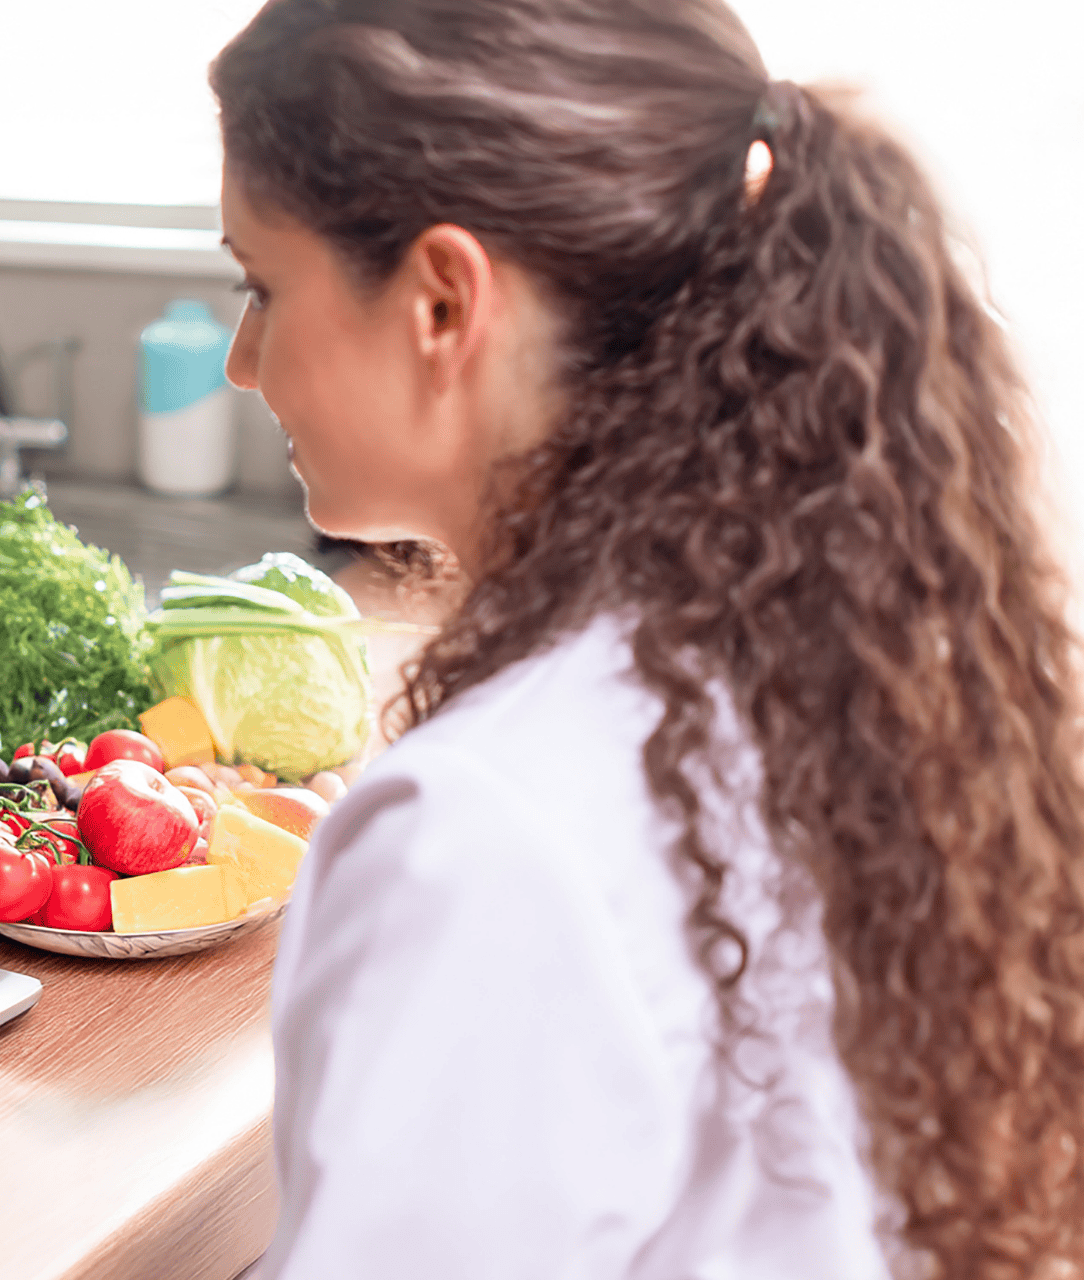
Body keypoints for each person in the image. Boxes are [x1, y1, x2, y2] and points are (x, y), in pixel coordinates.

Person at [211, 2, 1084, 1276]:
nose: (242, 361)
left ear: (444, 302)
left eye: (261, 283)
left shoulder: (477, 835)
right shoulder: (836, 661)